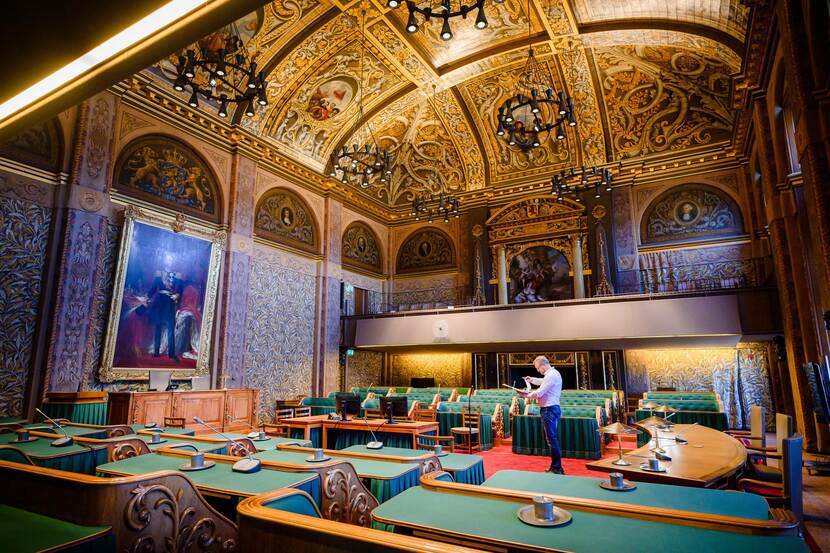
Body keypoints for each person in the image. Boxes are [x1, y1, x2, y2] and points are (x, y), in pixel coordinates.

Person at [521, 356, 564, 474]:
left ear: (543, 365)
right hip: (550, 409)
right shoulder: (551, 374)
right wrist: (532, 380)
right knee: (552, 439)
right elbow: (542, 382)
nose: (538, 371)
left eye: (538, 368)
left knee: (552, 440)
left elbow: (540, 392)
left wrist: (526, 395)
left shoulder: (551, 375)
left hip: (549, 410)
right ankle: (556, 467)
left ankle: (557, 468)